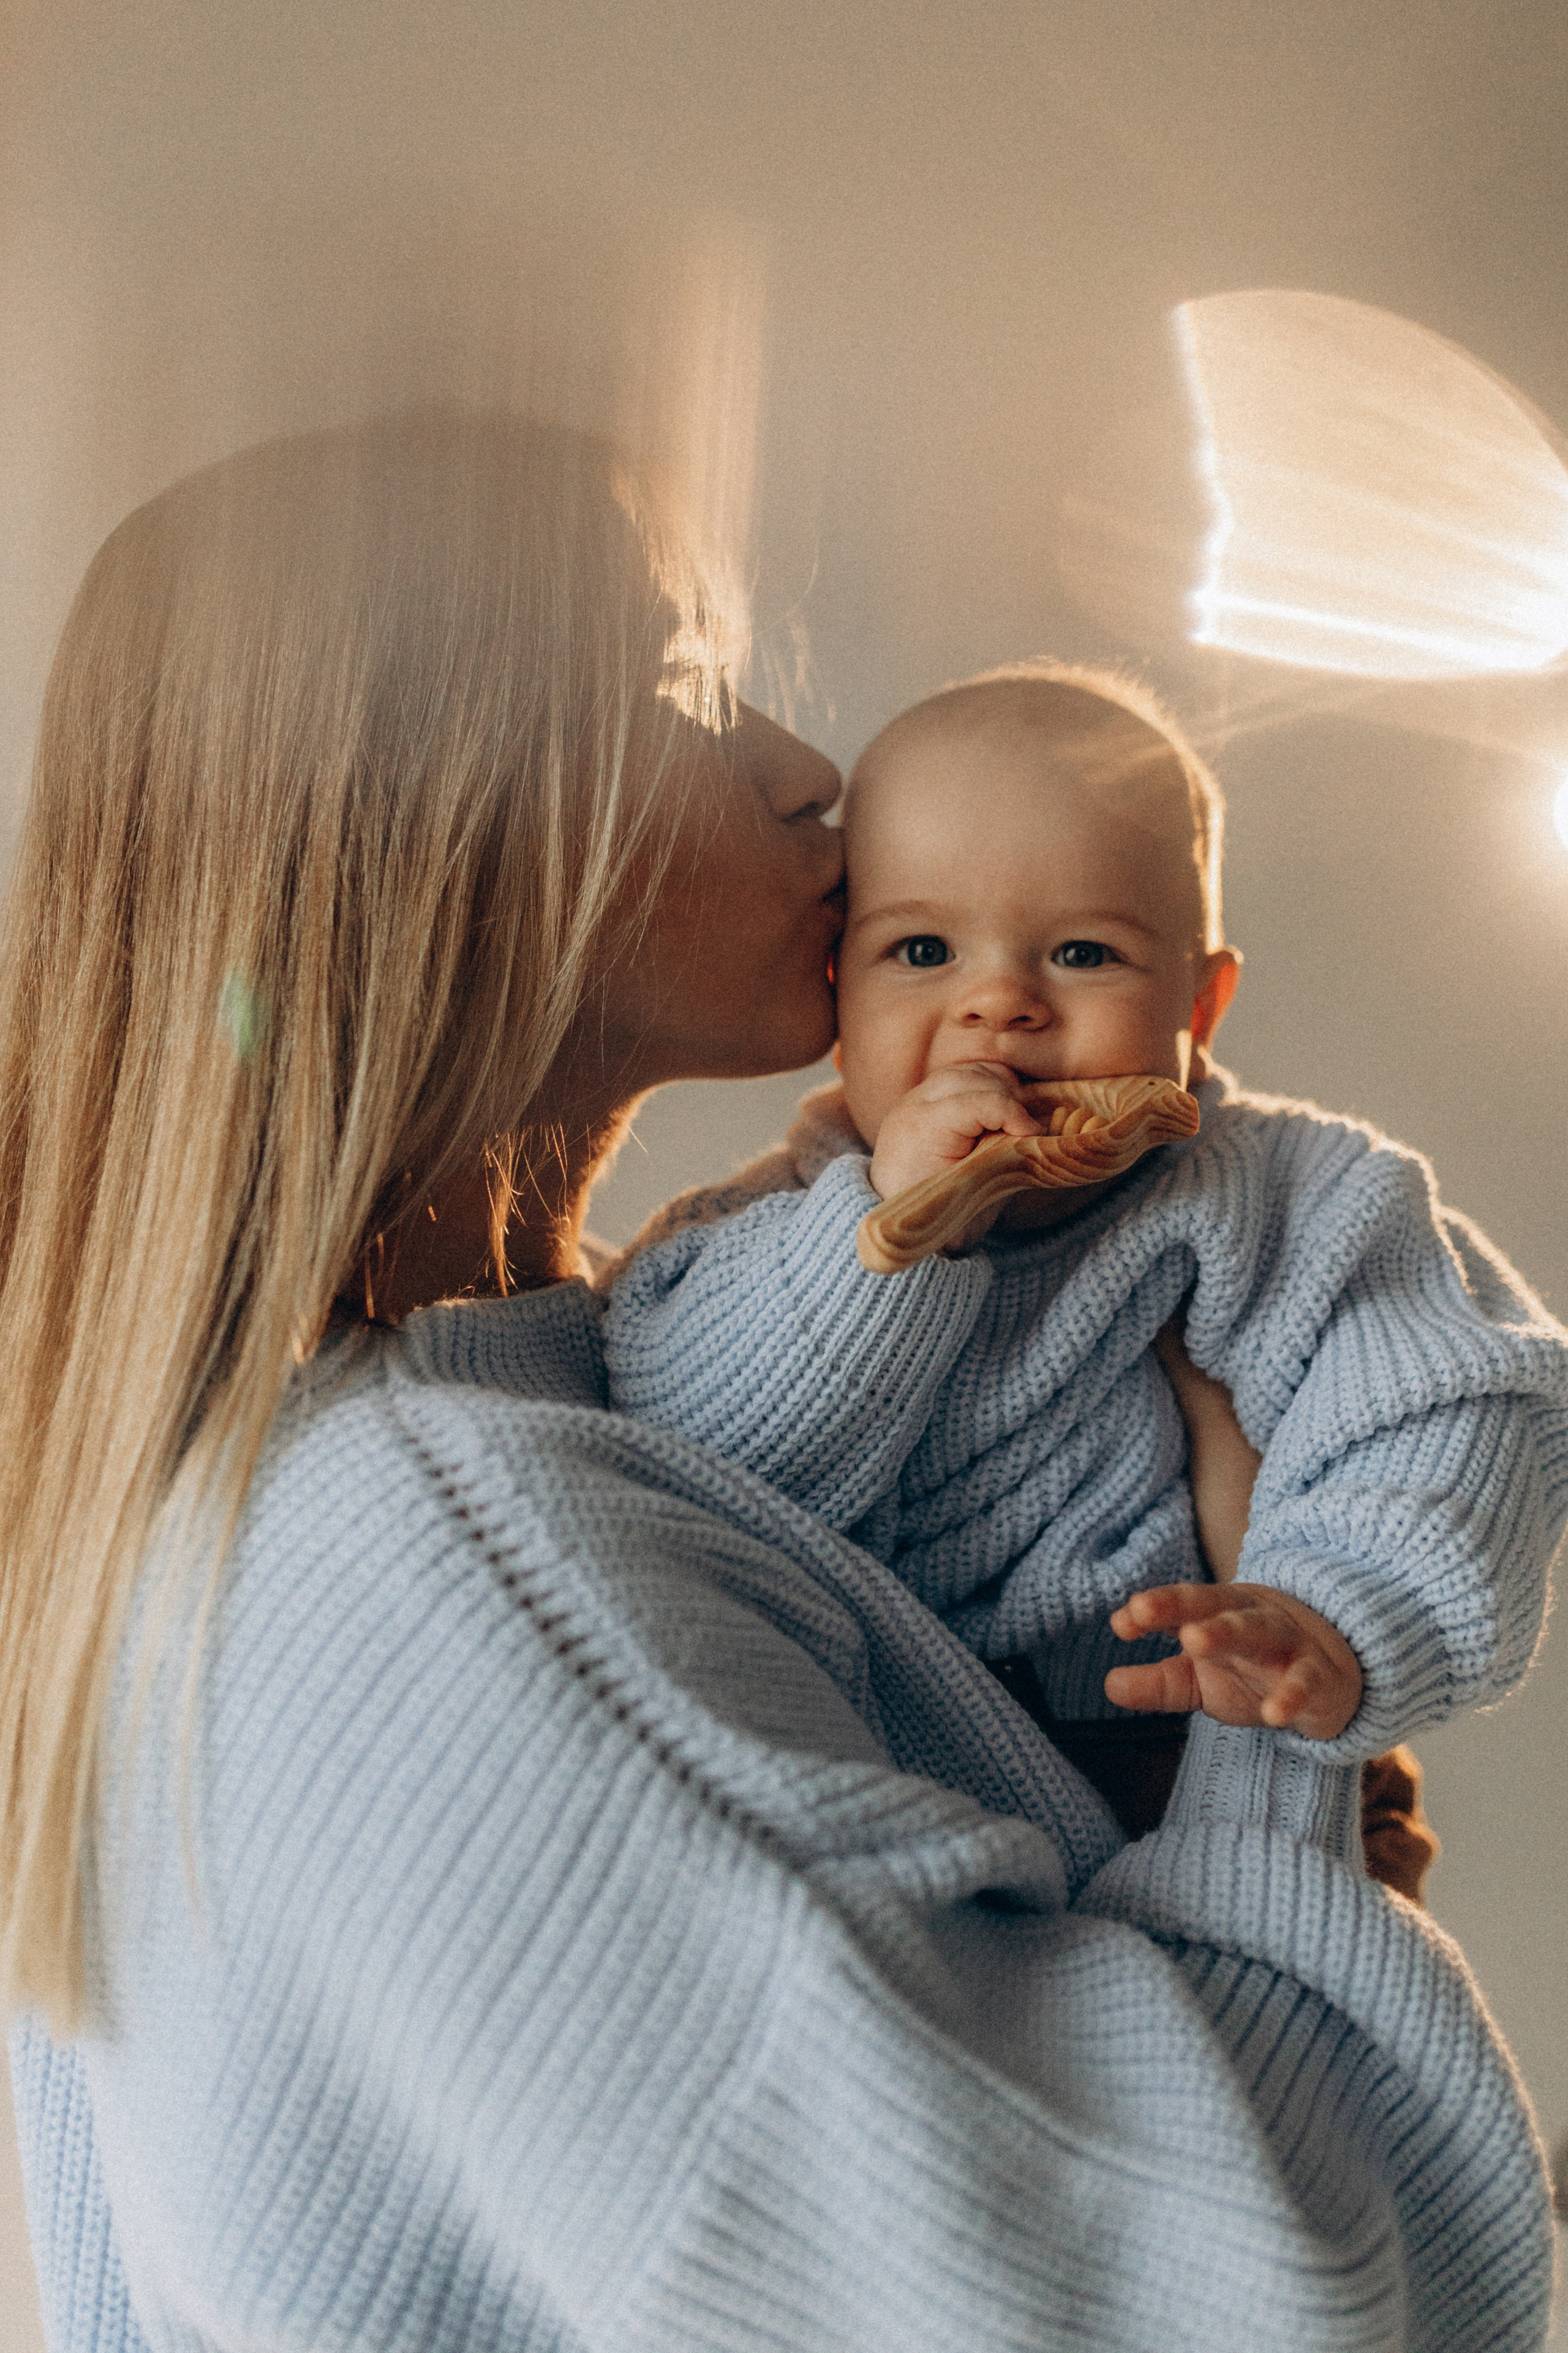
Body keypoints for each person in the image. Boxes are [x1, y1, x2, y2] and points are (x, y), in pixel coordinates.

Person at [0, 418, 1552, 2353]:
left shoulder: (465, 1455)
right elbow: (1238, 2307)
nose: (809, 768)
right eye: (678, 680)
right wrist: (1266, 1787)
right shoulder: (450, 1550)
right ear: (443, 817)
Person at [601, 662, 1568, 1879]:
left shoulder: (1291, 1200)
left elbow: (1450, 1406)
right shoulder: (769, 1226)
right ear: (834, 988)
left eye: (1078, 951)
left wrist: (1333, 1617)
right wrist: (888, 1239)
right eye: (920, 947)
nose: (997, 1003)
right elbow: (684, 1448)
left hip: (1205, 1746)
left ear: (1197, 1005)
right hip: (887, 1773)